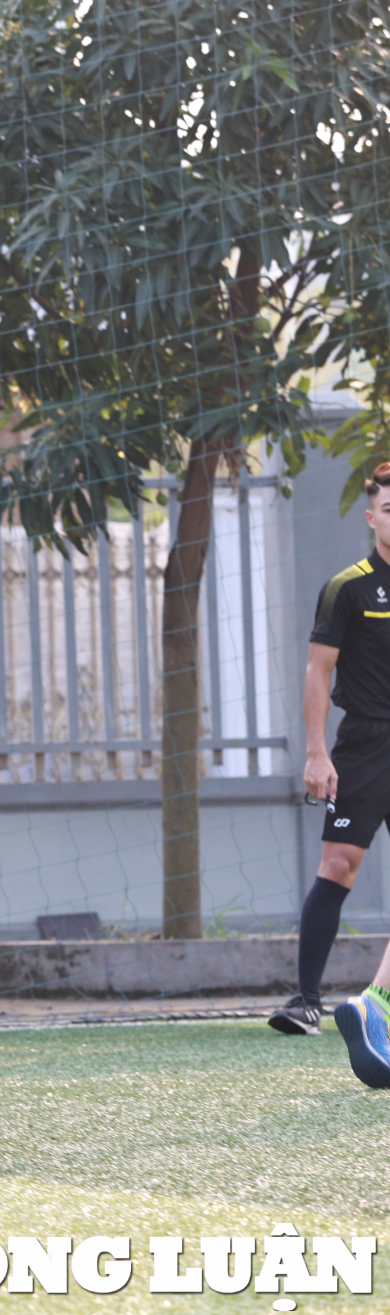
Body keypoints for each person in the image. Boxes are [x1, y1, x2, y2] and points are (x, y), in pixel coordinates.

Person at [278, 462, 390, 1089]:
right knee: (339, 864)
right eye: (389, 508)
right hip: (366, 744)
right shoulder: (347, 588)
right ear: (372, 517)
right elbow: (318, 673)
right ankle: (307, 1000)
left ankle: (377, 1004)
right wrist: (317, 754)